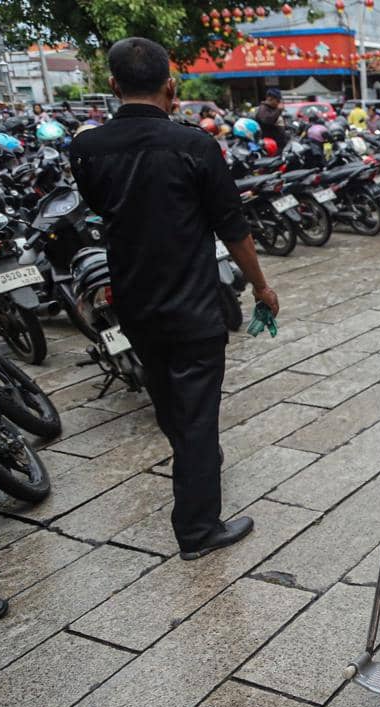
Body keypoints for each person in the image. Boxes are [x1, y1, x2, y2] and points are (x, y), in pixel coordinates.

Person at [69, 37, 280, 560]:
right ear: (170, 85)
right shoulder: (195, 145)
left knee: (167, 398)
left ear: (113, 85)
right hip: (192, 304)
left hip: (134, 303)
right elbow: (233, 227)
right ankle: (198, 529)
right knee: (197, 415)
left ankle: (195, 461)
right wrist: (261, 285)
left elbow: (99, 208)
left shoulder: (87, 149)